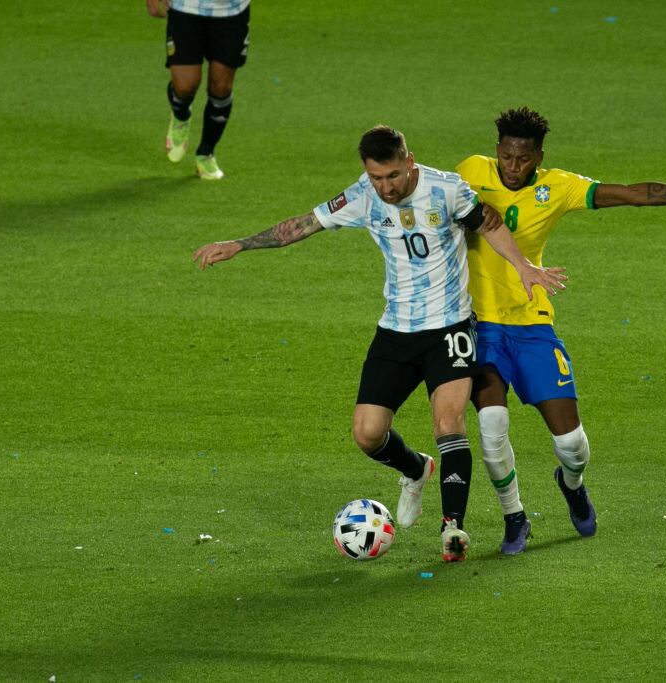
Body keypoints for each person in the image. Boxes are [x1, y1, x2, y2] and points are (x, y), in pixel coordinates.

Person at [193, 125, 566, 561]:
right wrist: (239, 244)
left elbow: (489, 222)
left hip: (450, 328)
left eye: (391, 176)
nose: (385, 187)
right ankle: (415, 469)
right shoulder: (362, 196)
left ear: (408, 162)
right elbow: (303, 225)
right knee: (368, 435)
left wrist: (523, 266)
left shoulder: (446, 189)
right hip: (396, 331)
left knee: (449, 423)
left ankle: (452, 529)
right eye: (376, 178)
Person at [455, 107, 666, 554]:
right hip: (480, 326)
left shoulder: (558, 187)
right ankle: (514, 517)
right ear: (497, 150)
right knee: (492, 427)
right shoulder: (470, 171)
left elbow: (632, 194)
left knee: (571, 445)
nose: (513, 167)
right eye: (506, 157)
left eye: (523, 159)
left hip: (532, 324)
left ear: (538, 156)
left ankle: (571, 484)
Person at [146, 0, 251, 180]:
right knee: (184, 87)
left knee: (221, 87)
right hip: (185, 7)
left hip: (231, 11)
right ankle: (181, 115)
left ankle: (206, 152)